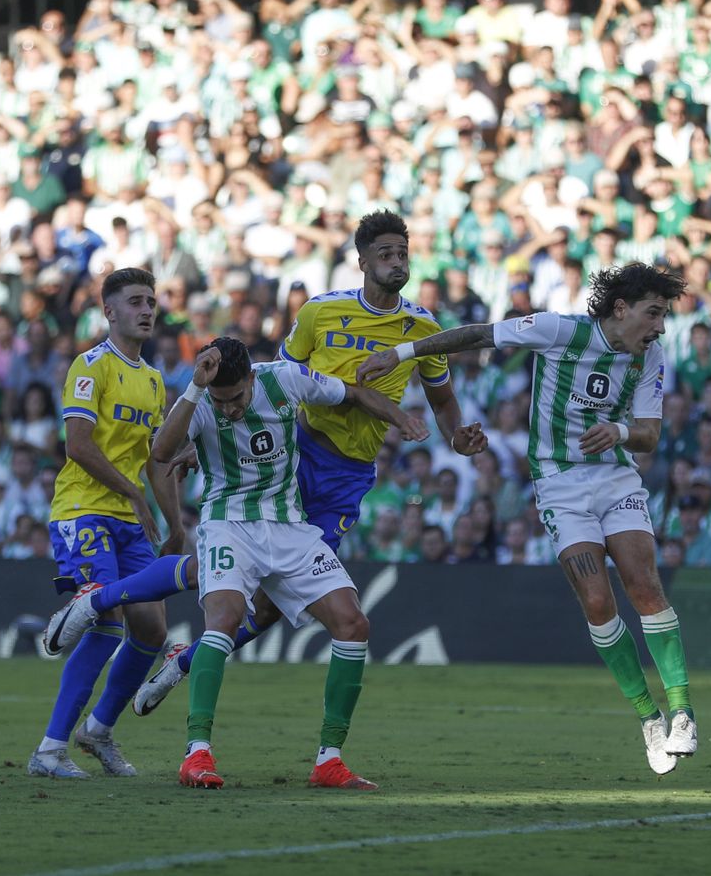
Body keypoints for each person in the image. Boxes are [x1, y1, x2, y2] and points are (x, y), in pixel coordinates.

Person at [43, 336, 429, 789]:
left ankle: (329, 760)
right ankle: (197, 754)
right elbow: (162, 453)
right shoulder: (203, 400)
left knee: (353, 624)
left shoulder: (285, 378)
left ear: (252, 377)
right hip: (229, 523)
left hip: (289, 526)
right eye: (221, 401)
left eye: (237, 398)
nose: (229, 410)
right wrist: (195, 389)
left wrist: (400, 416)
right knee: (223, 619)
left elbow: (352, 392)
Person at [357, 263, 697, 774]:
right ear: (622, 308)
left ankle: (683, 711)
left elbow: (649, 433)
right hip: (559, 484)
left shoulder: (651, 356)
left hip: (615, 478)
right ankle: (648, 718)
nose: (660, 327)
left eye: (664, 317)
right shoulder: (558, 330)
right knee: (598, 601)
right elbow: (477, 334)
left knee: (644, 587)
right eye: (654, 313)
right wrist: (400, 352)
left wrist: (620, 433)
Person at [137, 210, 489, 694]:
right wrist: (209, 444)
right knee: (211, 570)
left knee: (273, 604)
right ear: (362, 261)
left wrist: (456, 437)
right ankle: (102, 602)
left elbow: (443, 401)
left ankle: (182, 663)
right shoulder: (319, 312)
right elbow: (265, 389)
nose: (396, 262)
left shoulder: (423, 329)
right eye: (385, 254)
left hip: (348, 476)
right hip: (291, 458)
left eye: (402, 253)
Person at [27, 268, 187, 781]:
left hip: (129, 517)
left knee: (152, 628)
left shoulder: (154, 379)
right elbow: (78, 445)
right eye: (135, 301)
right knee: (106, 621)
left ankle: (97, 730)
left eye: (151, 301)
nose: (147, 310)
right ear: (110, 311)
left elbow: (156, 461)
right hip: (83, 510)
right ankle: (50, 750)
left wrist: (174, 522)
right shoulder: (89, 366)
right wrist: (134, 495)